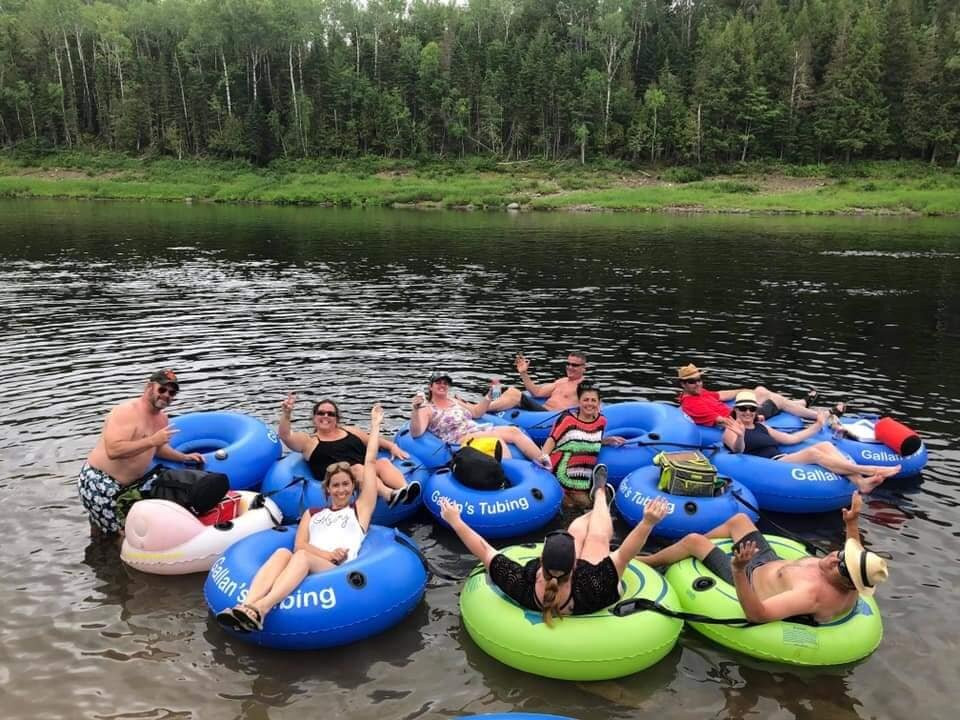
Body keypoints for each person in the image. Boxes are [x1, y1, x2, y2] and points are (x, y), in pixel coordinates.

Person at [217, 403, 384, 633]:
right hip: (313, 559)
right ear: (327, 489)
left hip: (336, 569)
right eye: (336, 485)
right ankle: (246, 606)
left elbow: (371, 462)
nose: (341, 490)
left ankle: (262, 609)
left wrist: (375, 425)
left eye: (346, 484)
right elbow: (299, 545)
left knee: (303, 557)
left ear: (353, 487)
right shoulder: (312, 513)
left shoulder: (360, 509)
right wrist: (326, 553)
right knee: (283, 552)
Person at [440, 470, 669, 624]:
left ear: (540, 559)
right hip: (588, 592)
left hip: (567, 584)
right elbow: (625, 554)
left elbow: (484, 549)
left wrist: (456, 521)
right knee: (598, 537)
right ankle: (600, 497)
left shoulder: (521, 582)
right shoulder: (592, 581)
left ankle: (594, 508)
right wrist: (648, 522)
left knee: (577, 531)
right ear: (575, 564)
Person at [641, 491, 890, 624]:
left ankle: (649, 561)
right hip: (769, 562)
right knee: (740, 521)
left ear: (849, 584)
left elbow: (757, 615)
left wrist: (739, 569)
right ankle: (694, 550)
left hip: (749, 578)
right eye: (841, 554)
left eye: (841, 567)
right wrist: (852, 522)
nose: (835, 558)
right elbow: (854, 549)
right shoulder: (852, 574)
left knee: (694, 540)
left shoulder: (812, 595)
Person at [78, 369, 205, 537]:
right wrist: (152, 440)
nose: (167, 395)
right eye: (162, 389)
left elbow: (158, 449)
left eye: (172, 392)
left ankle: (97, 549)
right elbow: (113, 450)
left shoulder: (162, 419)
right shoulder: (127, 412)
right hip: (99, 480)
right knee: (124, 536)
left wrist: (184, 457)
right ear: (149, 387)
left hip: (129, 484)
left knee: (111, 531)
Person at [723, 390, 900, 493]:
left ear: (756, 410)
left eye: (751, 408)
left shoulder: (762, 427)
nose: (747, 412)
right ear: (736, 409)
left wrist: (817, 426)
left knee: (826, 445)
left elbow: (791, 439)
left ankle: (861, 482)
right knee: (815, 454)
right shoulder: (731, 430)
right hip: (770, 464)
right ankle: (869, 470)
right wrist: (739, 435)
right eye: (743, 408)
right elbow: (738, 450)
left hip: (782, 458)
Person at [278, 394, 420, 508]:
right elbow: (286, 436)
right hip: (340, 478)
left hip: (365, 469)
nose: (325, 416)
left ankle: (406, 490)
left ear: (336, 418)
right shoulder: (309, 441)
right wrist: (286, 414)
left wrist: (392, 446)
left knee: (382, 462)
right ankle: (389, 495)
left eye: (330, 414)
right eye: (321, 413)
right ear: (314, 418)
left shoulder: (349, 430)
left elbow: (371, 439)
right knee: (358, 469)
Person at [410, 371, 552, 468]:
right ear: (430, 387)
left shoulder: (454, 401)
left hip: (476, 429)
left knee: (514, 431)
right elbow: (416, 432)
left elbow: (477, 412)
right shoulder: (427, 408)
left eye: (445, 383)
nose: (442, 385)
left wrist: (491, 394)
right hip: (459, 438)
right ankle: (514, 470)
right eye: (438, 382)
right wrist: (416, 410)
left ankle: (543, 461)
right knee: (497, 441)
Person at [540, 382, 626, 509]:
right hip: (561, 472)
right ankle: (599, 492)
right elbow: (551, 440)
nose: (589, 404)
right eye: (586, 400)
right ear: (579, 401)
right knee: (579, 505)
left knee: (585, 505)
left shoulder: (602, 422)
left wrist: (606, 441)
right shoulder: (567, 419)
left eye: (593, 400)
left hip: (583, 478)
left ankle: (598, 492)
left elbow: (588, 439)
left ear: (599, 403)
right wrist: (544, 461)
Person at [676, 363, 837, 428]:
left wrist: (746, 391)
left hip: (736, 409)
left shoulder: (700, 393)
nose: (697, 383)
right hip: (743, 415)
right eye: (692, 381)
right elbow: (723, 421)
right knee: (775, 400)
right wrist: (751, 419)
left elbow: (722, 394)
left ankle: (801, 403)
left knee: (760, 389)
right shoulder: (692, 404)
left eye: (699, 380)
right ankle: (821, 415)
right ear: (683, 384)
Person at [487, 351, 589, 413]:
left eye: (574, 365)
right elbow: (537, 392)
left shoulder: (585, 386)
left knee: (514, 393)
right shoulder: (561, 381)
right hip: (540, 413)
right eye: (568, 364)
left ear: (584, 368)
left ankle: (481, 409)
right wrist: (523, 373)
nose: (570, 367)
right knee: (504, 390)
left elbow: (592, 407)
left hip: (551, 418)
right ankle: (487, 406)